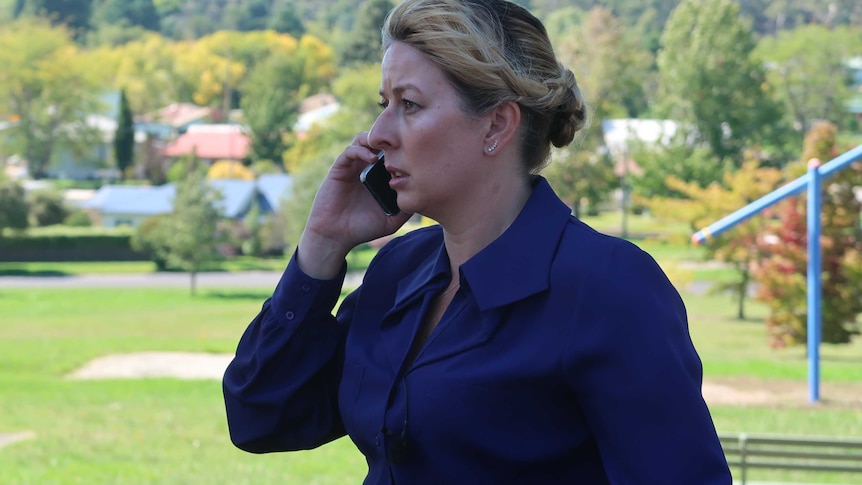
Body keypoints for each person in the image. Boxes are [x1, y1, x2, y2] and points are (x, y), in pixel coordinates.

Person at [223, 0, 732, 483]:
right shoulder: (399, 271)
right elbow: (262, 417)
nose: (377, 133)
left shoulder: (608, 290)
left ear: (496, 124)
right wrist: (321, 245)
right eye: (384, 104)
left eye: (410, 105)